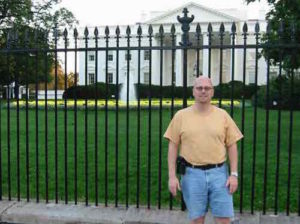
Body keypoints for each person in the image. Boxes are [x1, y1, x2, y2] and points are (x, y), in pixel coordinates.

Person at [164, 76, 243, 224]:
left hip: (219, 174)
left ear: (212, 92)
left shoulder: (223, 115)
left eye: (207, 88)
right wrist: (172, 176)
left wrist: (234, 174)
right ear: (193, 91)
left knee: (224, 220)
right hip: (192, 175)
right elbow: (173, 145)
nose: (203, 91)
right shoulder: (181, 116)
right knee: (197, 220)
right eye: (199, 88)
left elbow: (232, 145)